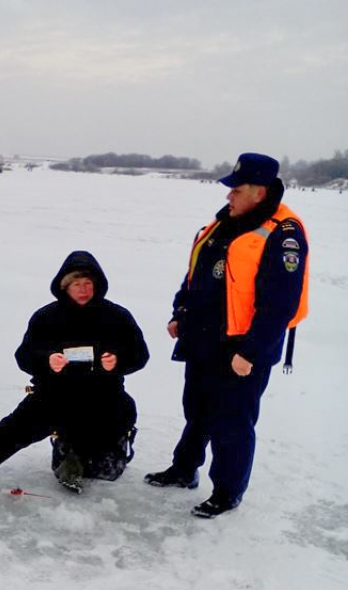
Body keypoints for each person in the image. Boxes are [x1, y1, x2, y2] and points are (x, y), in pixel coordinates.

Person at [144, 152, 309, 517]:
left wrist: (251, 352)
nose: (228, 196)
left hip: (241, 348)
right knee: (197, 410)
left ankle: (227, 491)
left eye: (236, 190)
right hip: (204, 339)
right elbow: (195, 277)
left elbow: (280, 304)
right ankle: (184, 469)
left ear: (259, 193)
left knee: (232, 421)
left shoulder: (282, 234)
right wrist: (180, 313)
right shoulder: (223, 225)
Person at [0, 250, 149, 498]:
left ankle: (74, 462)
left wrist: (118, 360)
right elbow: (24, 356)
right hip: (52, 395)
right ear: (65, 287)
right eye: (77, 284)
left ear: (97, 285)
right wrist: (46, 360)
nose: (83, 289)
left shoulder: (117, 317)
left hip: (104, 397)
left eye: (88, 283)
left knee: (119, 421)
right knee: (13, 429)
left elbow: (140, 354)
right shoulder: (46, 317)